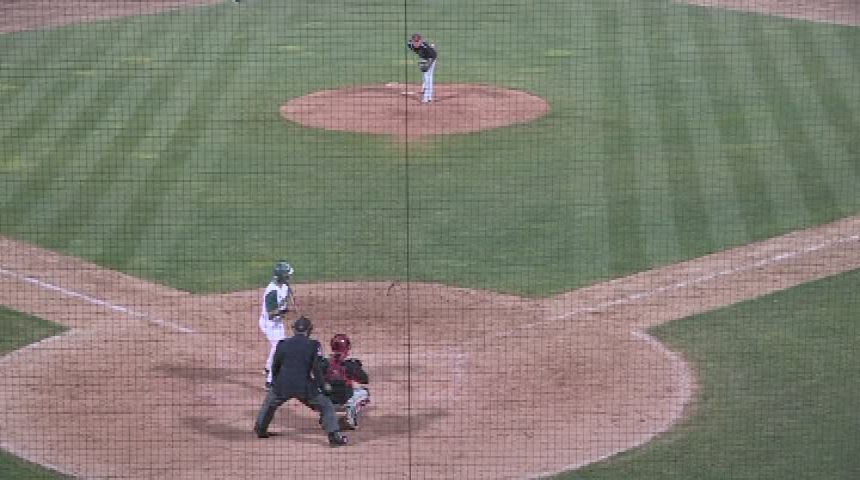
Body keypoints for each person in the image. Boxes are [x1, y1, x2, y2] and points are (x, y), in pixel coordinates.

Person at [253, 316, 349, 447]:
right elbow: (316, 369)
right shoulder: (313, 345)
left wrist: (275, 383)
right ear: (309, 330)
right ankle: (334, 436)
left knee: (269, 404)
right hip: (304, 386)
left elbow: (275, 366)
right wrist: (323, 386)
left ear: (294, 330)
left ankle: (260, 429)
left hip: (283, 384)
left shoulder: (282, 343)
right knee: (326, 405)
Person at [258, 261, 296, 389]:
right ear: (281, 276)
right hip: (268, 323)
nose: (289, 278)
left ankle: (268, 368)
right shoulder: (272, 291)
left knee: (278, 346)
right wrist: (283, 311)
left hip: (277, 322)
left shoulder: (284, 285)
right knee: (279, 348)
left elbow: (288, 292)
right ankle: (270, 382)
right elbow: (271, 314)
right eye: (287, 275)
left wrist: (289, 301)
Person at [321, 334, 370, 430]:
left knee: (320, 390)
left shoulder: (324, 362)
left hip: (327, 402)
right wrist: (357, 368)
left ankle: (325, 417)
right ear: (347, 347)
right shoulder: (350, 364)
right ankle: (350, 417)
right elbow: (365, 380)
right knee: (365, 392)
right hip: (344, 399)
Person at [407, 33, 437, 104]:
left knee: (428, 75)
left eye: (418, 41)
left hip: (431, 57)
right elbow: (417, 50)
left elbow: (433, 56)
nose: (416, 43)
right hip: (424, 57)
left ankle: (427, 97)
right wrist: (422, 59)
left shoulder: (425, 47)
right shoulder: (410, 45)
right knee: (424, 73)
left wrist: (427, 64)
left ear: (420, 41)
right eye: (415, 41)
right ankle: (424, 88)